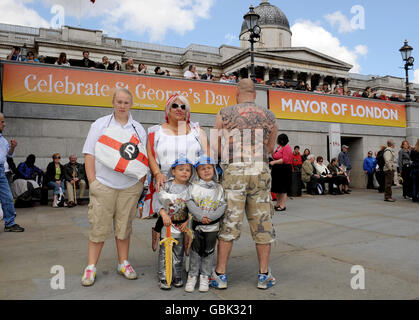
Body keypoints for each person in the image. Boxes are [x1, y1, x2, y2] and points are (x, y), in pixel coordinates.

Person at [212, 79, 278, 290]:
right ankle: (264, 275)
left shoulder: (224, 113)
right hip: (259, 169)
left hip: (235, 169)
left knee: (229, 221)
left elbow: (216, 148)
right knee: (262, 222)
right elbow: (270, 149)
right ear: (255, 93)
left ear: (236, 92)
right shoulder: (270, 116)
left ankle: (221, 274)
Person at [81, 88, 147, 286]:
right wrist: (93, 182)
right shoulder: (100, 125)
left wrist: (140, 183)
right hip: (104, 185)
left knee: (124, 228)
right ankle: (91, 267)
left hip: (129, 188)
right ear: (113, 102)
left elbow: (143, 158)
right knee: (98, 228)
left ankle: (123, 263)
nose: (122, 106)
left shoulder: (138, 128)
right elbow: (89, 154)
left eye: (126, 102)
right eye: (119, 101)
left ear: (131, 104)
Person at [147, 94, 209, 243]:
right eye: (175, 105)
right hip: (166, 181)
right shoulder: (155, 132)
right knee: (169, 216)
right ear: (167, 109)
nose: (179, 109)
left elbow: (206, 154)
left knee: (189, 214)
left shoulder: (196, 130)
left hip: (191, 180)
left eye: (183, 106)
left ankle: (188, 241)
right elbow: (150, 155)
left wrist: (204, 179)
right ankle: (162, 238)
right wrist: (157, 173)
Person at [184, 156, 226, 293]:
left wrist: (211, 217)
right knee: (195, 251)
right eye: (202, 168)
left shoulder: (219, 188)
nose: (206, 170)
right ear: (197, 172)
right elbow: (189, 202)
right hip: (197, 225)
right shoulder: (193, 187)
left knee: (209, 251)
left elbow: (222, 205)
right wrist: (201, 216)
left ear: (214, 169)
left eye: (209, 167)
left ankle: (205, 276)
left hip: (213, 226)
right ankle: (192, 275)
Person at [155, 158, 193, 290]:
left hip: (182, 225)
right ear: (173, 171)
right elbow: (158, 202)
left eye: (188, 170)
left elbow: (193, 206)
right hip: (167, 225)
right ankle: (164, 277)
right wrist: (164, 214)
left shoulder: (191, 188)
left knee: (179, 251)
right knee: (166, 251)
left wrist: (187, 221)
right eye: (181, 169)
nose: (184, 172)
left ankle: (177, 275)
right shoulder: (166, 185)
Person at [0, 113, 24, 232]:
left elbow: (8, 154)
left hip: (1, 171)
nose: (4, 124)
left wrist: (13, 147)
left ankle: (9, 223)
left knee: (8, 197)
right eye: (2, 122)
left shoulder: (2, 140)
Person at [270, 134, 292, 211]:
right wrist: (272, 150)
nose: (277, 141)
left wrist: (274, 162)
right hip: (277, 169)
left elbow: (285, 160)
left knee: (283, 188)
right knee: (277, 188)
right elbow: (274, 156)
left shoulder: (287, 148)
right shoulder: (279, 147)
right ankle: (277, 203)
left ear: (282, 140)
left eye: (278, 139)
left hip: (284, 169)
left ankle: (282, 205)